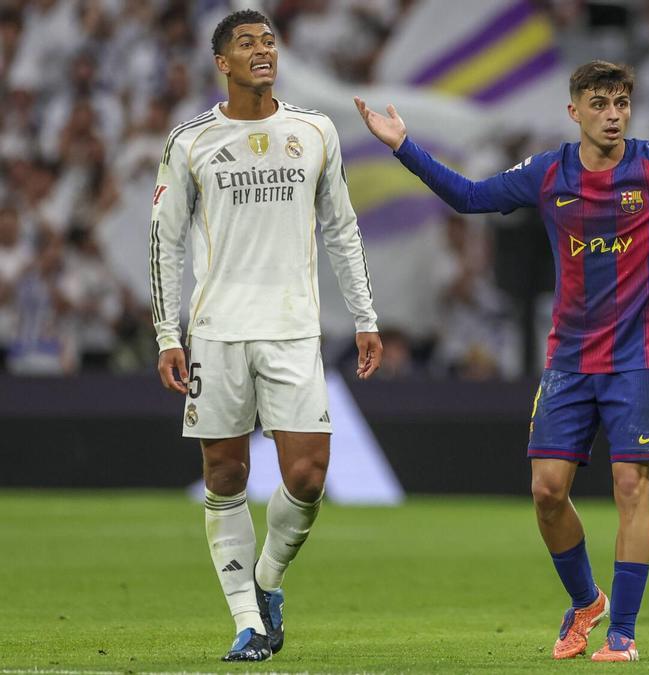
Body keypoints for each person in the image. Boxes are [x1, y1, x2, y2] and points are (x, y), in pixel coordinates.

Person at [355, 61, 649, 661]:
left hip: (638, 358)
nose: (613, 114)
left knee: (631, 485)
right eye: (600, 103)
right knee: (546, 492)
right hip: (570, 360)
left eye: (621, 102)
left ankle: (623, 632)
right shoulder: (549, 171)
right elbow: (471, 198)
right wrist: (403, 147)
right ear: (574, 110)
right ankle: (586, 601)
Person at [149, 9, 382, 662]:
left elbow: (342, 227)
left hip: (291, 328)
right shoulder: (190, 141)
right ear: (221, 62)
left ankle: (268, 579)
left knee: (308, 474)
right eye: (247, 43)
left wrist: (365, 317)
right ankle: (247, 622)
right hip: (218, 332)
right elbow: (164, 240)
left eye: (270, 41)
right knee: (225, 473)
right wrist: (168, 332)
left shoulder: (313, 131)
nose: (263, 50)